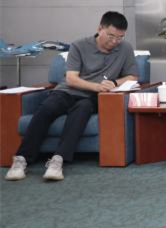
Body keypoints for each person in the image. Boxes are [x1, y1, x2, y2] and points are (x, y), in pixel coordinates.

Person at [5, 11, 138, 182]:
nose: (114, 41)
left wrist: (114, 82)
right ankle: (21, 159)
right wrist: (97, 86)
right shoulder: (79, 45)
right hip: (67, 91)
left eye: (120, 37)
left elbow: (133, 77)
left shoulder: (125, 49)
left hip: (93, 98)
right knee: (47, 108)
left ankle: (57, 160)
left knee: (82, 108)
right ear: (100, 28)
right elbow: (71, 79)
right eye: (111, 36)